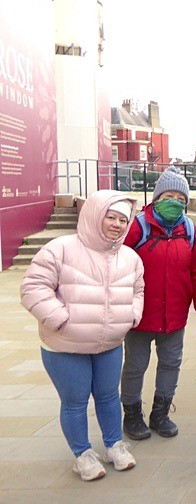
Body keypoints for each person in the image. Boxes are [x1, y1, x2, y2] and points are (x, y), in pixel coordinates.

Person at [21, 190, 143, 481]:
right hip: (65, 345)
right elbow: (33, 288)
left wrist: (131, 316)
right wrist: (60, 319)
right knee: (75, 401)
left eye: (122, 220)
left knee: (108, 396)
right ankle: (83, 454)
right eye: (110, 217)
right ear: (94, 216)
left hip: (110, 344)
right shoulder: (60, 248)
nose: (116, 224)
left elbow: (138, 290)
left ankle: (114, 445)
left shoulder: (130, 257)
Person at [120, 167, 196, 441]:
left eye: (181, 198)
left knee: (171, 363)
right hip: (140, 315)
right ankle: (132, 414)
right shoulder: (138, 226)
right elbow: (118, 264)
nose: (175, 202)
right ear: (158, 196)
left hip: (174, 314)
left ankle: (160, 413)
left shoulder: (191, 231)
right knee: (136, 365)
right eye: (169, 196)